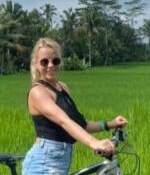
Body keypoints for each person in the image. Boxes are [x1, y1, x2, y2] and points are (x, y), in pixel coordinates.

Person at [22, 37, 128, 175]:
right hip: (42, 163)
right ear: (36, 64)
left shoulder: (63, 88)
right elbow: (63, 121)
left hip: (59, 163)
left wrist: (110, 124)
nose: (50, 65)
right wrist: (93, 143)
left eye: (55, 60)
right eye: (44, 62)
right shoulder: (37, 92)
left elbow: (80, 124)